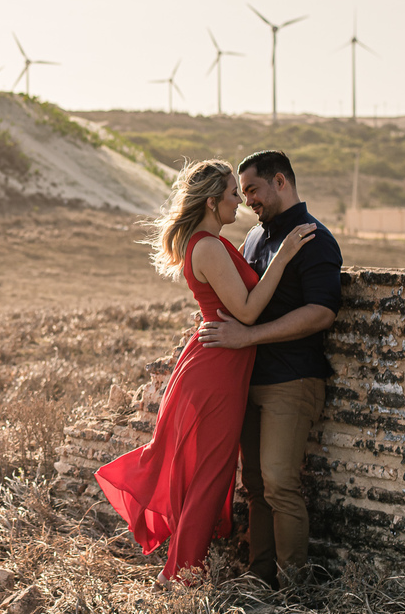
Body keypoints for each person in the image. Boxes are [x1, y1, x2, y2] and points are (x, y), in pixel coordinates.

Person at [94, 158, 317, 588]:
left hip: (221, 365)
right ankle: (179, 577)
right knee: (211, 476)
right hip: (217, 369)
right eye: (235, 194)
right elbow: (249, 312)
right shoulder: (210, 247)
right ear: (214, 202)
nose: (242, 202)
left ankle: (180, 571)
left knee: (210, 474)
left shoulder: (214, 242)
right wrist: (285, 255)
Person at [197, 150, 342, 589]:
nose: (247, 201)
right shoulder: (255, 240)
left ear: (281, 181)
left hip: (292, 380)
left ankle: (294, 587)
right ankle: (260, 580)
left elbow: (321, 313)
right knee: (256, 487)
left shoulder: (316, 240)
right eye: (241, 194)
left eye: (254, 190)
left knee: (279, 483)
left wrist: (249, 338)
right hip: (248, 381)